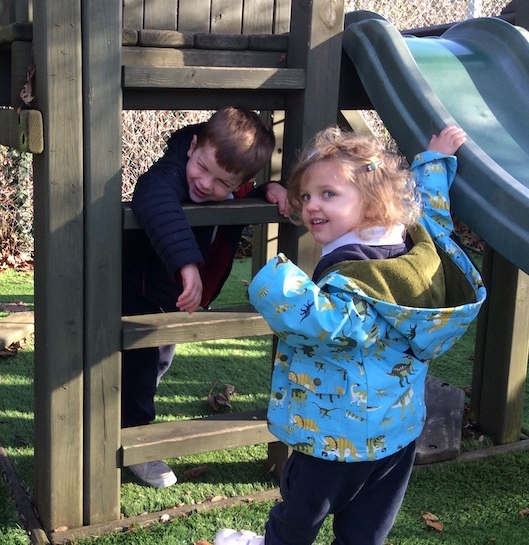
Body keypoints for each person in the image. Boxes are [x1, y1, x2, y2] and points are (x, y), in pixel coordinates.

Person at [214, 126, 486, 545]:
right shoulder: (418, 244)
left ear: (373, 200)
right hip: (397, 434)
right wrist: (433, 163)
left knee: (298, 517)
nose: (311, 205)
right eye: (307, 195)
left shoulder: (358, 275)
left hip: (336, 435)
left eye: (328, 194)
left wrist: (276, 286)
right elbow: (434, 214)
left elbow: (330, 326)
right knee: (365, 530)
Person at [122, 105, 291, 488]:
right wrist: (186, 264)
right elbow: (155, 198)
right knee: (138, 368)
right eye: (201, 167)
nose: (204, 183)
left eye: (222, 183)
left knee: (157, 363)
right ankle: (137, 443)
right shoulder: (169, 172)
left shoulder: (229, 181)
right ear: (193, 146)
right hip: (140, 291)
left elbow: (240, 196)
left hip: (174, 298)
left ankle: (128, 415)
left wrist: (268, 191)